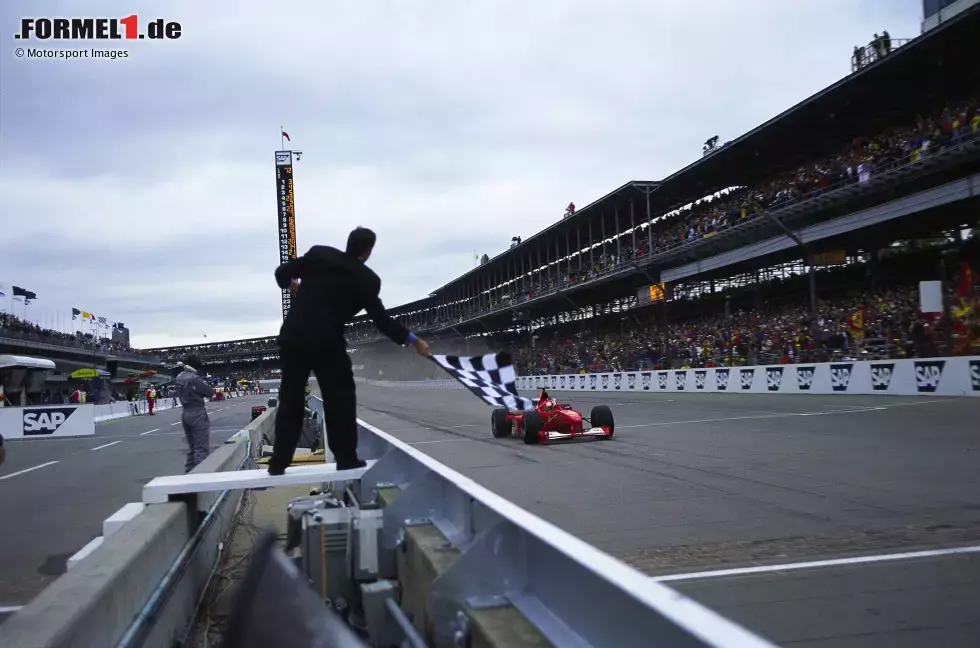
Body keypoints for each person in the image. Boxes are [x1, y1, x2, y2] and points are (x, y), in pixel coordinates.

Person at [269, 227, 431, 475]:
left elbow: (281, 273)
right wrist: (413, 340)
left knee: (290, 398)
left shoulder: (319, 255)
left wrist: (291, 284)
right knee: (340, 398)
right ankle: (346, 458)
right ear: (368, 252)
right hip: (327, 341)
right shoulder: (367, 280)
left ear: (348, 243)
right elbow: (382, 321)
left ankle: (278, 462)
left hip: (294, 336)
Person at [175, 354, 215, 473]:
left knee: (192, 449)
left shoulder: (179, 376)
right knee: (201, 449)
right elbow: (209, 392)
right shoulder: (194, 378)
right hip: (197, 412)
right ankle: (200, 480)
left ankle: (189, 476)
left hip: (185, 412)